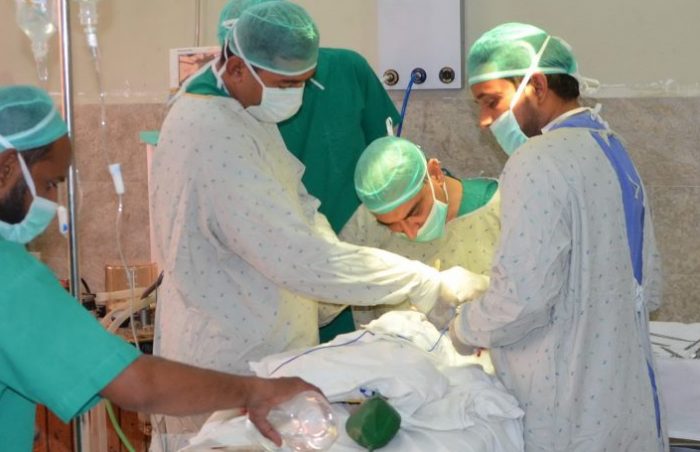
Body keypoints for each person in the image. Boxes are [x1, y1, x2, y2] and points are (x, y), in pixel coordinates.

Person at [149, 2, 483, 447]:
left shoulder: (247, 117)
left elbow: (303, 206)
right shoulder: (211, 134)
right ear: (235, 69)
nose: (297, 97)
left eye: (304, 83)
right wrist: (418, 281)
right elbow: (300, 258)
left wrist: (333, 294)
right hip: (229, 364)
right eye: (287, 84)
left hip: (266, 360)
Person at [0, 84, 324, 451]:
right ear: (8, 166)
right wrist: (258, 391)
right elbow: (139, 385)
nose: (54, 200)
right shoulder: (11, 277)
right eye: (49, 183)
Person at [447, 23, 667, 451]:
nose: (485, 119)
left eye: (491, 101)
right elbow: (651, 283)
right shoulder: (611, 148)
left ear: (537, 85)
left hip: (566, 408)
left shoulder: (537, 159)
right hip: (623, 398)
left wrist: (464, 327)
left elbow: (521, 300)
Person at [215, 0, 402, 341]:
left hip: (359, 265)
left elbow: (397, 165)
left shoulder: (347, 71)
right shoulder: (227, 111)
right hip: (277, 287)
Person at [349, 136, 499, 323]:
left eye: (415, 212)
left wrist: (487, 290)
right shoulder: (372, 236)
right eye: (393, 226)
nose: (411, 233)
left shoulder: (504, 211)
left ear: (435, 173)